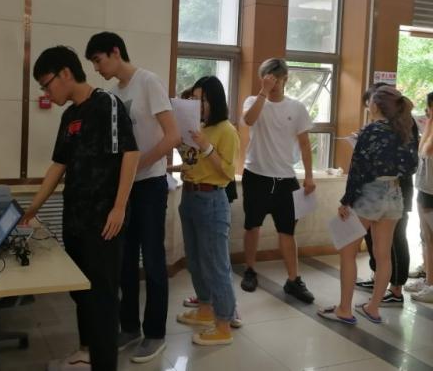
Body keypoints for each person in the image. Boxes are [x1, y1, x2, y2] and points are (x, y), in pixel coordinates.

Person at [21, 46, 139, 371]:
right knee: (81, 294)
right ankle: (87, 353)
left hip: (104, 223)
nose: (46, 92)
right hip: (74, 220)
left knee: (103, 300)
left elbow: (130, 154)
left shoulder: (106, 105)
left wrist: (119, 207)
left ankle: (104, 364)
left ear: (65, 74)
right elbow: (58, 166)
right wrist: (32, 209)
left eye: (47, 84)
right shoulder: (69, 116)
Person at [85, 32, 180, 363]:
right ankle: (129, 327)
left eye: (98, 60)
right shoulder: (112, 95)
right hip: (124, 188)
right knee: (124, 261)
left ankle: (155, 333)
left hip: (151, 185)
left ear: (115, 52)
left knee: (152, 260)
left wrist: (140, 163)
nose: (97, 68)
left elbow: (173, 136)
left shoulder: (148, 82)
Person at [318, 86, 418, 324]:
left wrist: (346, 201)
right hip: (395, 194)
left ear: (376, 106)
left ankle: (344, 309)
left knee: (348, 252)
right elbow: (412, 166)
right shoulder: (404, 129)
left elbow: (357, 170)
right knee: (384, 255)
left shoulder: (371, 130)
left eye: (370, 102)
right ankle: (373, 308)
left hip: (369, 194)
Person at [240, 58, 316, 303]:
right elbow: (248, 121)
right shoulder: (253, 101)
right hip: (256, 175)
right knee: (252, 226)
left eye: (277, 80)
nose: (273, 84)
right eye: (267, 79)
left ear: (285, 79)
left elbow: (305, 144)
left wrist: (309, 176)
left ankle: (293, 279)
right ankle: (250, 270)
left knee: (287, 231)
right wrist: (263, 92)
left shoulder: (296, 107)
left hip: (286, 179)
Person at [174, 76, 239, 346]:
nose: (197, 104)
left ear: (215, 100)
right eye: (194, 99)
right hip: (189, 196)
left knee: (215, 265)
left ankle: (223, 324)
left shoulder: (226, 130)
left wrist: (206, 146)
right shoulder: (199, 127)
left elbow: (227, 172)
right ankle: (204, 309)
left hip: (211, 199)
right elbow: (194, 165)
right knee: (195, 260)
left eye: (202, 99)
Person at [354, 83, 419, 307]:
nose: (369, 109)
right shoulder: (379, 126)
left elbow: (409, 161)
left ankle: (396, 288)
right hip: (376, 191)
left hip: (397, 189)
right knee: (375, 241)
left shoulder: (405, 123)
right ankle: (378, 280)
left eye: (370, 103)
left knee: (395, 240)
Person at [407, 91, 433, 302]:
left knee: (431, 239)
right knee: (426, 238)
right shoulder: (429, 129)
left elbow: (426, 151)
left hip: (431, 193)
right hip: (424, 190)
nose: (427, 113)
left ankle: (431, 284)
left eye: (429, 109)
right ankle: (428, 280)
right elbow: (420, 150)